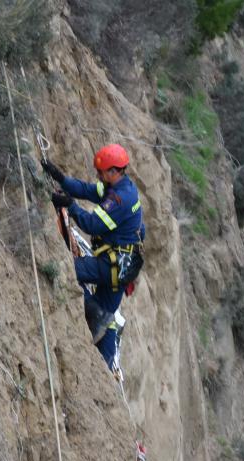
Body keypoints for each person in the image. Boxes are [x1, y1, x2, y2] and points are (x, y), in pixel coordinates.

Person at [42, 144, 145, 371]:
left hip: (112, 266)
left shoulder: (120, 200)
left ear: (114, 171)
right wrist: (60, 178)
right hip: (124, 267)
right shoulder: (120, 187)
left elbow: (92, 224)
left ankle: (95, 320)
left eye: (102, 172)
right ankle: (106, 368)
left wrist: (70, 206)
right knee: (107, 318)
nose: (98, 176)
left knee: (70, 271)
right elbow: (88, 190)